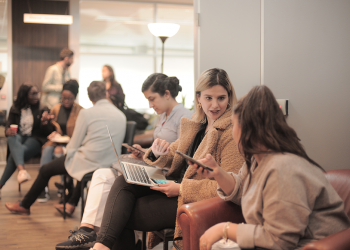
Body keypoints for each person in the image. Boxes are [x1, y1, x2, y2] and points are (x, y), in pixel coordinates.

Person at [89, 68, 245, 250]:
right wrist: (157, 152)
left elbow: (230, 186)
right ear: (199, 98)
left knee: (120, 215)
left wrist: (181, 188)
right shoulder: (197, 123)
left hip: (192, 199)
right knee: (123, 182)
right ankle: (102, 246)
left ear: (229, 97)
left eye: (221, 98)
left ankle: (101, 247)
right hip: (175, 186)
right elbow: (174, 152)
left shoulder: (231, 132)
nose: (215, 105)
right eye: (209, 98)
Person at [196, 85, 350, 250]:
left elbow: (280, 240)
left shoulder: (284, 168)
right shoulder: (256, 161)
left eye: (233, 125)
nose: (233, 132)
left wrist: (224, 229)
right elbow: (245, 192)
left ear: (247, 129)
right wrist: (218, 173)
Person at [55, 73, 193, 250]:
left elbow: (178, 157)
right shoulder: (164, 115)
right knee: (101, 174)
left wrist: (154, 156)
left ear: (167, 94)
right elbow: (162, 150)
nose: (150, 105)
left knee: (114, 192)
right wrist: (144, 152)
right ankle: (87, 229)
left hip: (165, 178)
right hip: (155, 169)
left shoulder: (185, 118)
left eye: (152, 99)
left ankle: (97, 239)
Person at [4, 81, 127, 215]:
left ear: (90, 97)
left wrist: (65, 152)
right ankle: (70, 204)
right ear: (106, 93)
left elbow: (74, 144)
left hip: (90, 161)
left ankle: (25, 205)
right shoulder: (121, 115)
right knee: (79, 163)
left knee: (47, 169)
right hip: (111, 163)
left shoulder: (86, 113)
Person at [0, 84, 53, 195]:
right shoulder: (15, 108)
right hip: (18, 138)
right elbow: (8, 126)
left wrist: (44, 123)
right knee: (12, 137)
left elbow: (47, 133)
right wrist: (7, 131)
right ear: (24, 95)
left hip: (35, 139)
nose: (36, 96)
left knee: (15, 154)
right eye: (32, 94)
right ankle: (22, 171)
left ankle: (7, 180)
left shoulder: (43, 108)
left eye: (37, 93)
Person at [37, 79, 84, 203]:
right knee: (47, 149)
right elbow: (48, 130)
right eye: (63, 98)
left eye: (70, 98)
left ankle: (64, 186)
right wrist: (45, 123)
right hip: (56, 141)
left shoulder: (80, 111)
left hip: (72, 143)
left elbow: (81, 133)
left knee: (59, 152)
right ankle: (42, 186)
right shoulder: (56, 108)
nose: (66, 101)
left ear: (75, 97)